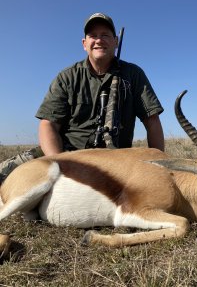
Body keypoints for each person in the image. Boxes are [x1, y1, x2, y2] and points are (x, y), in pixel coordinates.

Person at [0, 12, 164, 184]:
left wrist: (158, 167)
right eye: (93, 36)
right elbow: (48, 124)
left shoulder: (133, 74)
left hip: (116, 160)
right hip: (65, 154)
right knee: (6, 172)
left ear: (115, 42)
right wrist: (61, 165)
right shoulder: (67, 77)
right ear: (84, 44)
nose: (99, 40)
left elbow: (152, 121)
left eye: (105, 35)